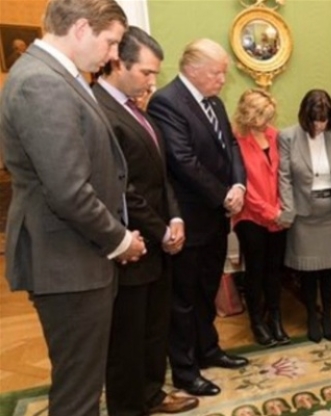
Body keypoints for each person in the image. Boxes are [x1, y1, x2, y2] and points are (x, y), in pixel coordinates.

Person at [0, 1, 147, 414]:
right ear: (81, 28)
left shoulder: (57, 76)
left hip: (77, 256)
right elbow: (68, 191)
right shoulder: (41, 83)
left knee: (84, 379)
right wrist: (120, 241)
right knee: (78, 393)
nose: (114, 53)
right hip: (67, 261)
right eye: (111, 41)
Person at [93, 26, 198, 414]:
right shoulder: (99, 110)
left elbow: (161, 172)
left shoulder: (137, 109)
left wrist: (175, 220)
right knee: (128, 338)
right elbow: (121, 188)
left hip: (158, 239)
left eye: (155, 73)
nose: (153, 81)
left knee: (154, 329)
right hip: (130, 241)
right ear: (117, 62)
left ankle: (152, 395)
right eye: (146, 73)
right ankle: (128, 406)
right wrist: (159, 229)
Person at [148, 38, 249, 397]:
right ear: (193, 70)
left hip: (216, 217)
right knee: (183, 298)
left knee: (208, 290)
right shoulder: (167, 102)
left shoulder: (215, 103)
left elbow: (232, 146)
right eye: (218, 72)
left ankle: (208, 350)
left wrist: (238, 184)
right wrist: (224, 194)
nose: (223, 79)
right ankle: (185, 370)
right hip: (188, 219)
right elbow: (182, 160)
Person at [277, 89, 331, 343]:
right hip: (304, 214)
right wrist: (288, 210)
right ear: (305, 117)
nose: (320, 125)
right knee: (308, 269)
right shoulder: (289, 136)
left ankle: (327, 315)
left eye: (325, 120)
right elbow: (284, 176)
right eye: (316, 121)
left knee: (329, 269)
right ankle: (312, 317)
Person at [231, 89, 290, 347]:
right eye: (262, 117)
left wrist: (282, 209)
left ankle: (275, 317)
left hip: (278, 214)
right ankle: (257, 321)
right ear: (248, 115)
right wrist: (270, 212)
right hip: (250, 217)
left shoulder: (275, 136)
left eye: (269, 117)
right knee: (255, 270)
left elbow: (284, 176)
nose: (267, 122)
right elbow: (244, 185)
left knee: (275, 270)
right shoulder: (236, 141)